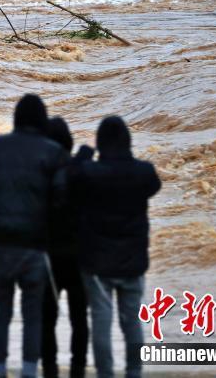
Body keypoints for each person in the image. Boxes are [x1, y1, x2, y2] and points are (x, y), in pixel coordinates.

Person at [0, 94, 68, 378]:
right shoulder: (53, 152)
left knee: (1, 312)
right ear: (42, 120)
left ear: (16, 118)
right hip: (34, 246)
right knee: (33, 314)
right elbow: (62, 200)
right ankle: (28, 372)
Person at [72, 116, 161, 378]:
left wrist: (88, 149)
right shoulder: (143, 172)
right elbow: (154, 186)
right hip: (133, 261)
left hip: (97, 263)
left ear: (102, 143)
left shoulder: (91, 173)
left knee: (101, 320)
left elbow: (71, 174)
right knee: (132, 321)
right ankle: (134, 371)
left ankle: (105, 373)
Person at [40, 117, 91, 378]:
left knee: (47, 318)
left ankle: (49, 369)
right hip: (79, 256)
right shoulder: (81, 170)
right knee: (79, 318)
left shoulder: (40, 175)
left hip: (49, 257)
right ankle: (78, 368)